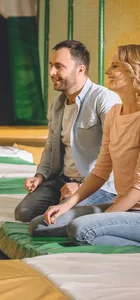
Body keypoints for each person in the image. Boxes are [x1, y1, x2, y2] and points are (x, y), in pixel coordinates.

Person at [32, 45, 140, 246]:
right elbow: (101, 171)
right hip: (123, 206)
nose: (107, 71)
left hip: (135, 208)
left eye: (115, 66)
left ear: (135, 71)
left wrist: (105, 218)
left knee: (81, 230)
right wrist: (66, 206)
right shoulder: (115, 113)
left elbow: (138, 188)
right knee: (40, 226)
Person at [15, 40, 120, 223]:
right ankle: (69, 205)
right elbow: (50, 146)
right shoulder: (57, 104)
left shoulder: (104, 99)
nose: (51, 72)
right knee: (24, 212)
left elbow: (117, 153)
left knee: (43, 224)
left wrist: (80, 186)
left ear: (80, 69)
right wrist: (39, 176)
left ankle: (99, 207)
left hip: (98, 185)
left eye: (58, 66)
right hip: (62, 180)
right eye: (51, 66)